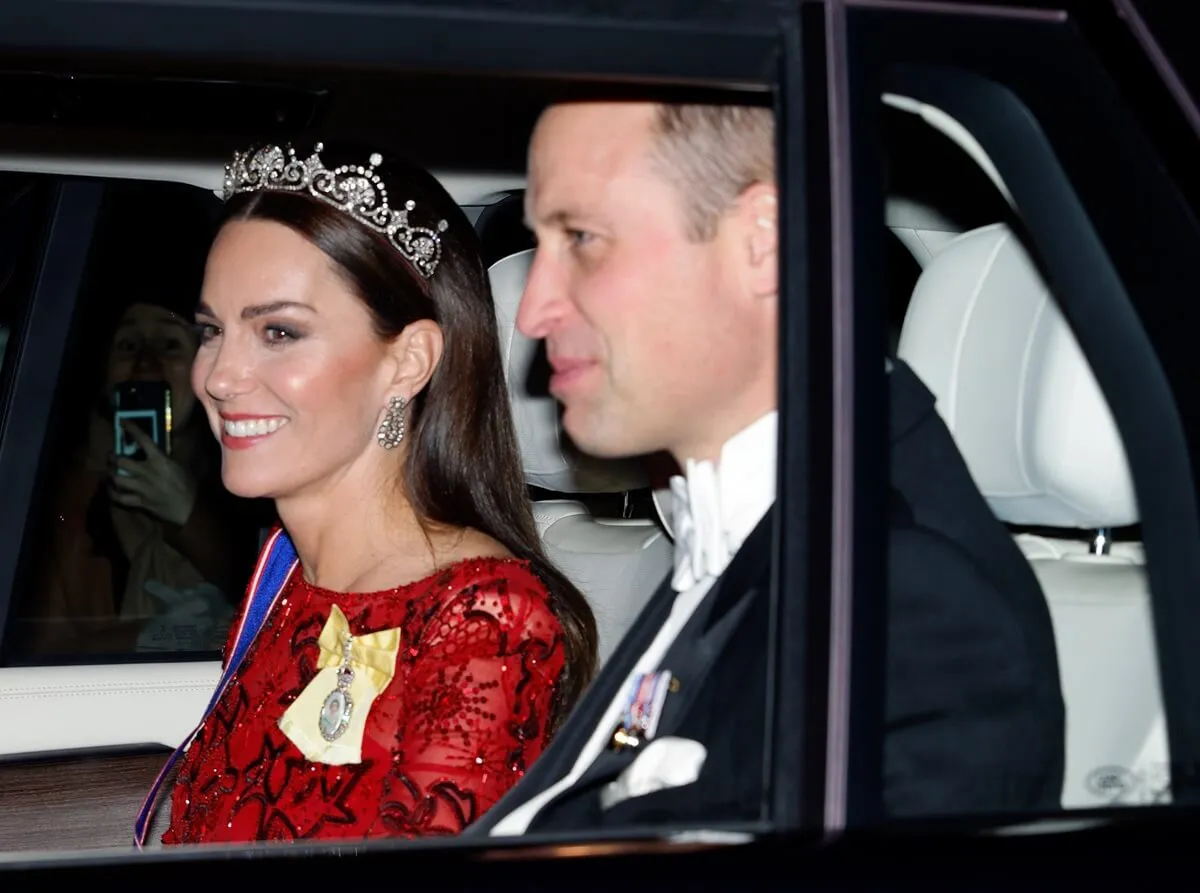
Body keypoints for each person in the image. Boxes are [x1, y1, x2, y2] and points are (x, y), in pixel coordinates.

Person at [464, 101, 1066, 835]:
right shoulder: (745, 532)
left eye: (583, 239)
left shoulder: (911, 606)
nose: (530, 312)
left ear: (762, 240)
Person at [155, 140, 598, 844]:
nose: (219, 375)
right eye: (212, 330)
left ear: (408, 361)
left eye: (278, 331)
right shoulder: (290, 580)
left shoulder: (486, 619)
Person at [20, 231, 259, 657]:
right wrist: (152, 637)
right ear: (103, 372)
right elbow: (33, 654)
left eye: (170, 344)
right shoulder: (53, 492)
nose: (146, 363)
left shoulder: (253, 474)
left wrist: (188, 516)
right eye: (128, 345)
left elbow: (276, 597)